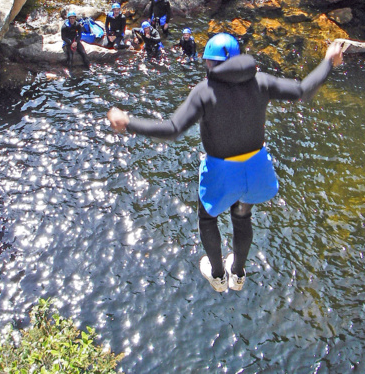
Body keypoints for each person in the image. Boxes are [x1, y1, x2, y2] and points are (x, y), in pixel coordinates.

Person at [107, 33, 343, 292]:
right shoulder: (261, 81)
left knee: (208, 220)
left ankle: (218, 275)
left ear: (211, 63)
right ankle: (238, 274)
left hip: (222, 172)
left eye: (208, 62)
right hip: (254, 168)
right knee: (242, 218)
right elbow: (301, 90)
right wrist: (328, 62)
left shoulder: (204, 92)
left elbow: (173, 129)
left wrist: (129, 123)